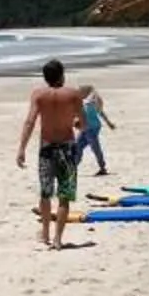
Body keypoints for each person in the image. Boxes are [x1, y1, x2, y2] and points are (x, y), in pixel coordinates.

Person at [16, 59, 98, 250]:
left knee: (46, 193)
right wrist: (75, 124)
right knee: (64, 195)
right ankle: (58, 239)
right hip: (67, 148)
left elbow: (29, 122)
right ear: (62, 75)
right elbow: (84, 124)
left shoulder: (39, 94)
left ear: (45, 77)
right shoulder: (73, 94)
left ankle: (45, 233)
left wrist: (21, 149)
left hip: (46, 148)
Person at [76, 91, 114, 177]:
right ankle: (72, 167)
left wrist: (109, 123)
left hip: (92, 128)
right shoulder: (84, 104)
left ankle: (102, 168)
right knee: (78, 146)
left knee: (94, 147)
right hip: (87, 128)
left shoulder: (88, 104)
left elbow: (100, 112)